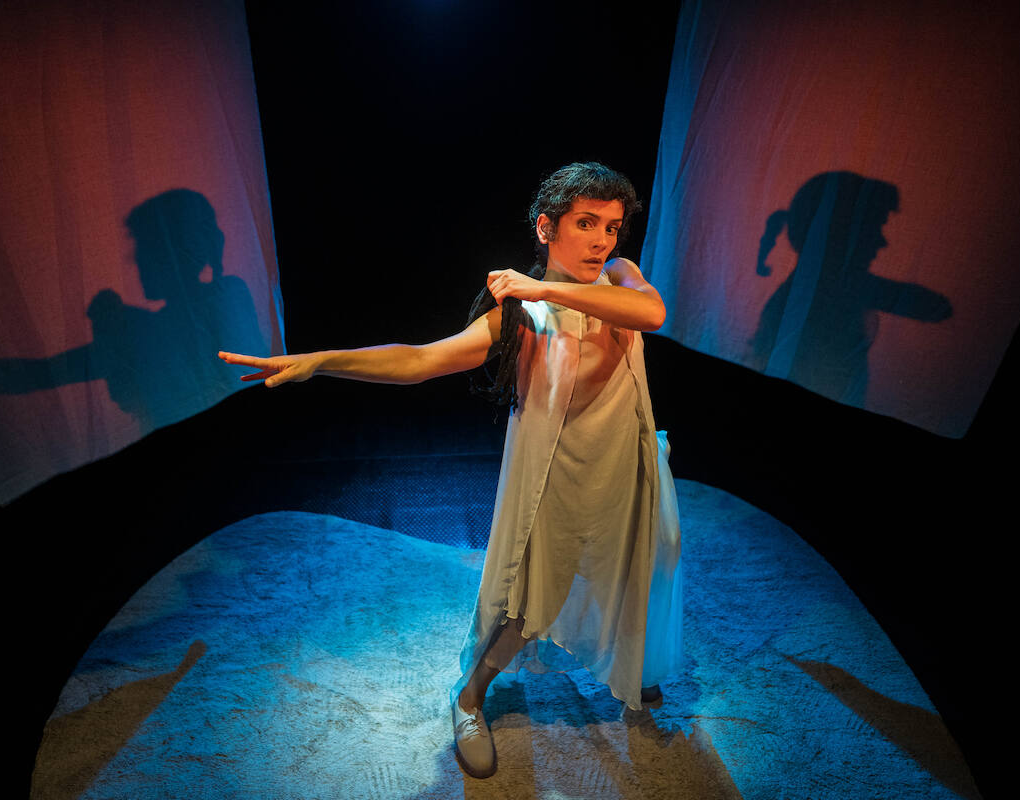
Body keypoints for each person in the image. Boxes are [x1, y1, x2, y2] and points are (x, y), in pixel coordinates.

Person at [219, 162, 683, 780]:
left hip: (629, 463)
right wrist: (322, 360)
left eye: (612, 227)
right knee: (528, 605)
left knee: (646, 565)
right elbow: (419, 361)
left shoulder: (619, 277)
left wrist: (543, 288)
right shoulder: (519, 318)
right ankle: (469, 697)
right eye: (585, 224)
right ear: (546, 228)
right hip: (560, 483)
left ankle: (634, 667)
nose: (602, 241)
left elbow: (651, 313)